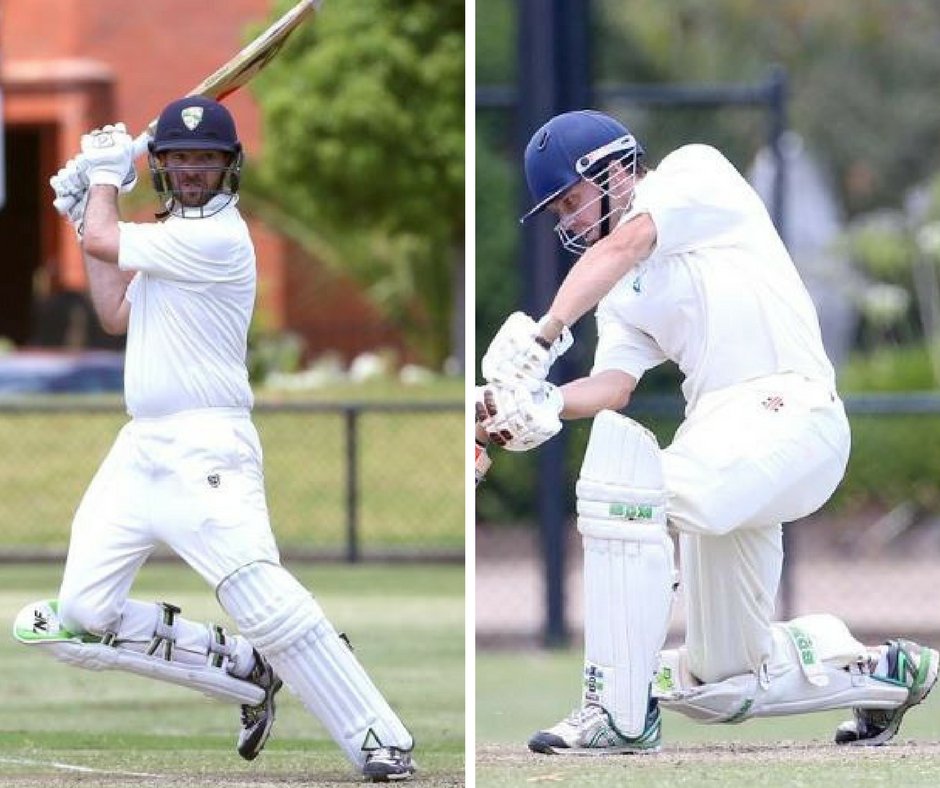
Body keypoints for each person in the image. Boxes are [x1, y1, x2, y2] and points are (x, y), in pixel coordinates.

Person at [476, 109, 938, 754]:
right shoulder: (619, 293)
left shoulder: (696, 174)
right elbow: (613, 387)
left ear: (614, 171)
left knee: (625, 495)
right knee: (723, 683)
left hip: (792, 410)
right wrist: (534, 403)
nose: (569, 222)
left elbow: (626, 243)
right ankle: (882, 673)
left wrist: (542, 333)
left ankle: (619, 712)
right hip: (723, 441)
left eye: (573, 202)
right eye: (557, 213)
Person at [16, 96, 415, 782]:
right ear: (165, 168)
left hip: (209, 445)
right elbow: (112, 309)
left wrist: (103, 183)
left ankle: (381, 737)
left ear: (229, 167)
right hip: (140, 448)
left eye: (206, 159)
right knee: (81, 614)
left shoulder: (219, 238)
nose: (193, 170)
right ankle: (238, 666)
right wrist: (89, 205)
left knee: (261, 596)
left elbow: (104, 243)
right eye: (180, 159)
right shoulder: (167, 238)